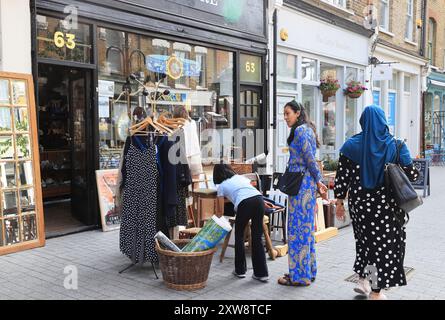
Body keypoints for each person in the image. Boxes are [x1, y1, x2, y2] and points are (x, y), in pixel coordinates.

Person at [334, 105, 419, 300]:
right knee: (383, 247)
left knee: (365, 243)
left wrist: (339, 202)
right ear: (383, 121)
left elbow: (341, 179)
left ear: (363, 122)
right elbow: (413, 175)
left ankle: (364, 280)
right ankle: (375, 291)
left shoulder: (350, 146)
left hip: (360, 207)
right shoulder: (396, 145)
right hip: (386, 207)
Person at [277, 100, 328, 286]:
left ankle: (299, 277)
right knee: (305, 231)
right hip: (304, 184)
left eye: (287, 113)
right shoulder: (304, 129)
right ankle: (308, 271)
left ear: (297, 113)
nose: (285, 117)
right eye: (283, 114)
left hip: (301, 186)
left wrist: (320, 181)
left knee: (297, 231)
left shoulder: (301, 131)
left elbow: (310, 159)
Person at [213, 164, 269, 282]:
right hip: (259, 200)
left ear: (216, 176)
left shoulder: (221, 186)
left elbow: (220, 212)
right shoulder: (240, 178)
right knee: (257, 237)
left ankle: (240, 271)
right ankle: (261, 273)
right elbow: (249, 191)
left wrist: (214, 220)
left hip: (245, 204)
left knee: (239, 236)